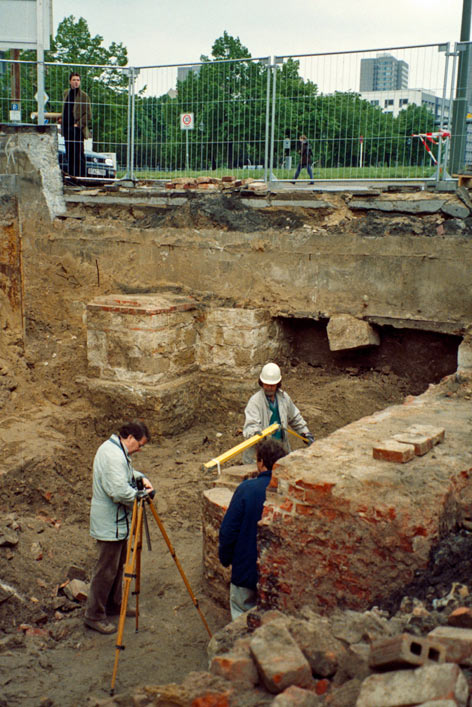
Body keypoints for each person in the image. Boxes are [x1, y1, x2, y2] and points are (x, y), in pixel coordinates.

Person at [84, 420, 154, 634]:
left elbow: (126, 474)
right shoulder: (113, 456)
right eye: (139, 444)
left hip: (117, 522)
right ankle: (94, 615)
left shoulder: (117, 451)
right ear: (130, 437)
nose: (140, 449)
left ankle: (114, 604)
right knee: (106, 570)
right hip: (109, 523)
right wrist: (140, 495)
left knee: (118, 566)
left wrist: (141, 478)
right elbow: (119, 491)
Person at [219, 437, 286, 619]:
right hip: (276, 576)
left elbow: (228, 530)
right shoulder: (287, 492)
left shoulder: (247, 490)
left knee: (241, 617)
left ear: (261, 462)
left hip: (245, 571)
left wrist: (225, 558)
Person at [242, 362, 314, 464]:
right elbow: (250, 425)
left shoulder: (284, 398)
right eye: (266, 384)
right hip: (259, 454)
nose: (269, 387)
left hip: (279, 450)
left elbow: (295, 417)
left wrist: (305, 433)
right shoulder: (255, 401)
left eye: (272, 385)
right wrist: (255, 433)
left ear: (278, 384)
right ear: (261, 383)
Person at [60, 72, 92, 179]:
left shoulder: (84, 96)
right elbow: (65, 109)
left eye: (78, 80)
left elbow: (88, 114)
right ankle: (71, 177)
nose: (76, 82)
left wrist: (78, 124)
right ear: (70, 81)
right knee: (69, 154)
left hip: (77, 130)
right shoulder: (66, 93)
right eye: (74, 80)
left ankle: (81, 177)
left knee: (78, 154)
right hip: (66, 128)